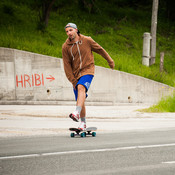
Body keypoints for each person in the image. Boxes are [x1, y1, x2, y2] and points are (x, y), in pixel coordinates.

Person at [62, 23, 115, 130]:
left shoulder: (87, 40)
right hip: (75, 75)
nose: (69, 33)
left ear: (76, 30)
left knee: (81, 88)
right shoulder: (65, 47)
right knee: (80, 100)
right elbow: (66, 66)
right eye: (67, 31)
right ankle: (83, 123)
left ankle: (76, 112)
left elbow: (100, 50)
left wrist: (110, 60)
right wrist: (73, 81)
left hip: (88, 70)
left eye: (71, 30)